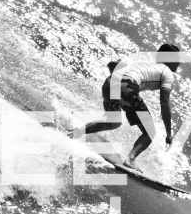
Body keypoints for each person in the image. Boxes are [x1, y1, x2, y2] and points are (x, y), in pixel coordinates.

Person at [75, 43, 180, 171]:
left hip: (110, 83)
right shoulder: (167, 73)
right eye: (177, 59)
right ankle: (130, 159)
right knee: (150, 132)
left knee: (113, 122)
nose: (179, 63)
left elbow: (113, 64)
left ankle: (76, 132)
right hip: (128, 87)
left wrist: (116, 87)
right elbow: (164, 103)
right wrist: (169, 134)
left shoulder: (142, 62)